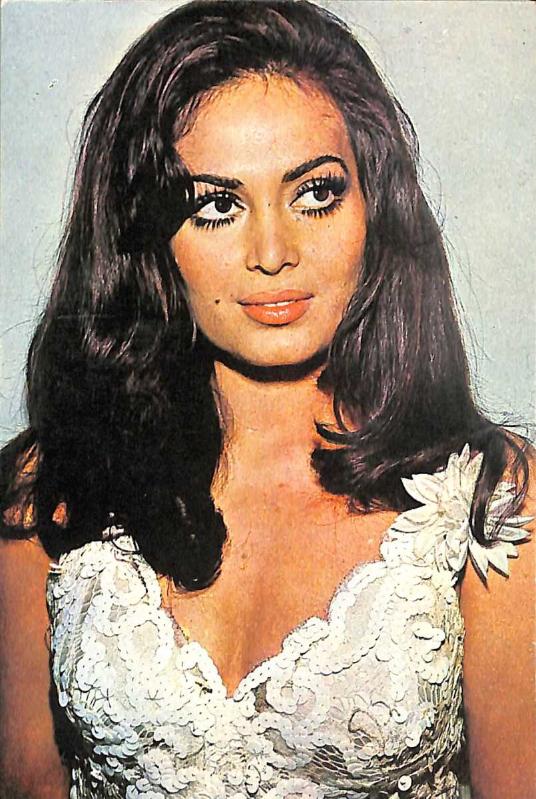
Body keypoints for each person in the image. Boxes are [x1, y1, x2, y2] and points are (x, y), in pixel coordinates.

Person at [0, 1, 534, 798]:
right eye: (216, 204)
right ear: (148, 237)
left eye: (314, 193)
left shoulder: (492, 500)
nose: (273, 253)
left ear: (375, 207)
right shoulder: (47, 488)